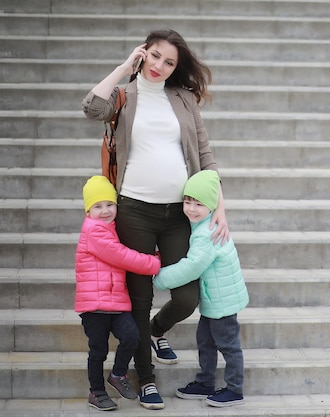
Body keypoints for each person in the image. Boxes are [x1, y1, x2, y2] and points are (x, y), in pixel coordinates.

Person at [81, 29, 230, 410]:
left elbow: (206, 156)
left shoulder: (183, 98)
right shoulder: (125, 96)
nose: (160, 66)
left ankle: (156, 332)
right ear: (143, 53)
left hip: (179, 213)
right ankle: (146, 380)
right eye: (155, 56)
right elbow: (90, 107)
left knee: (186, 296)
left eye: (170, 62)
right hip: (134, 210)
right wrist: (122, 68)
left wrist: (220, 209)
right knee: (140, 298)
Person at [153, 170, 249, 408]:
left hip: (222, 302)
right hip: (213, 299)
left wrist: (159, 279)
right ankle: (205, 382)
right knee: (205, 341)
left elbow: (191, 267)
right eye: (187, 201)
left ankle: (235, 389)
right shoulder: (202, 225)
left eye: (199, 204)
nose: (191, 209)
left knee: (228, 344)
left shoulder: (207, 233)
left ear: (212, 206)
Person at [75, 176, 161, 411]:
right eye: (97, 206)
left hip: (116, 302)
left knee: (132, 336)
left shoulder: (111, 228)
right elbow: (122, 256)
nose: (105, 211)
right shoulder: (94, 231)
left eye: (109, 204)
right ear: (88, 210)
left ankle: (118, 374)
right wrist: (153, 263)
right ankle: (97, 392)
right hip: (94, 305)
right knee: (98, 350)